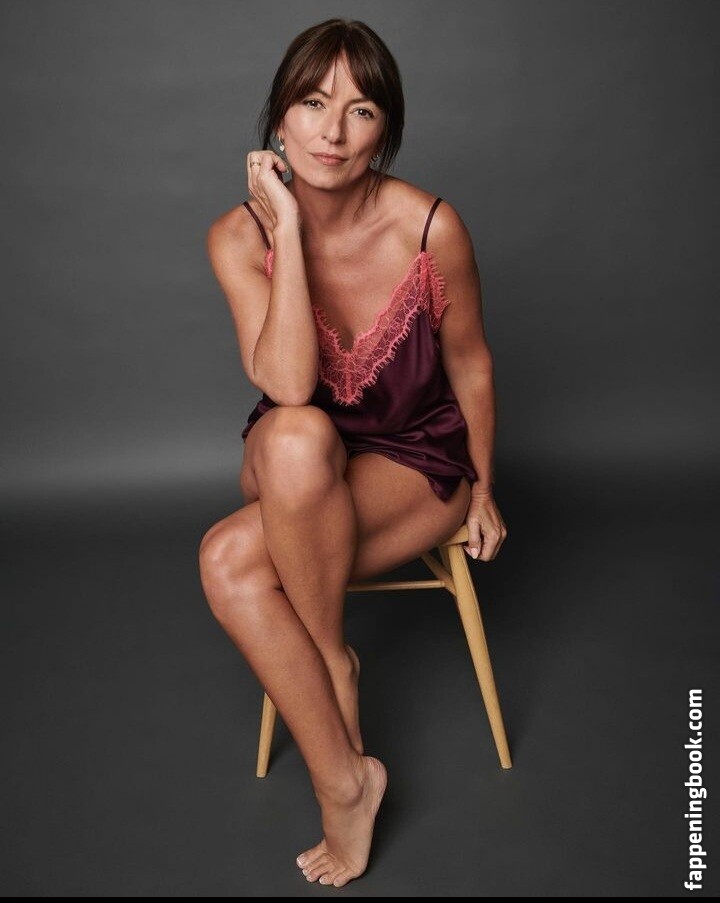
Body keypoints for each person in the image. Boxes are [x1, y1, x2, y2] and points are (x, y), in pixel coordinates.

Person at [199, 17, 508, 889]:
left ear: (386, 130)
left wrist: (486, 487)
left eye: (361, 110)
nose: (332, 132)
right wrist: (290, 232)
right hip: (296, 461)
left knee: (226, 561)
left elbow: (471, 364)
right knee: (298, 433)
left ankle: (343, 780)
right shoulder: (238, 237)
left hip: (414, 456)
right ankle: (336, 680)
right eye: (312, 103)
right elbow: (289, 383)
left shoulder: (430, 228)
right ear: (279, 118)